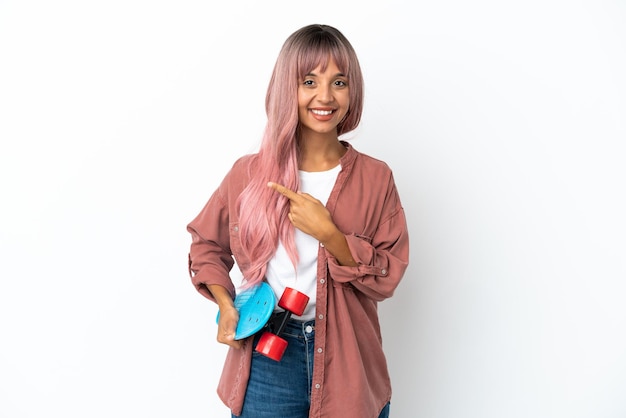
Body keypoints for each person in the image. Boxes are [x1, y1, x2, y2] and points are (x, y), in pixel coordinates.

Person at [186, 23, 409, 418]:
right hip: (268, 353)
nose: (325, 96)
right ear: (288, 87)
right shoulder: (248, 174)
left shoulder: (376, 178)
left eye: (339, 82)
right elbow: (206, 243)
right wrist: (226, 304)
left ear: (352, 90)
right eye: (309, 81)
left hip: (349, 361)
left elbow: (388, 275)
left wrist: (331, 235)